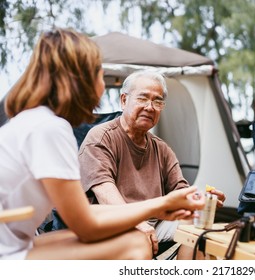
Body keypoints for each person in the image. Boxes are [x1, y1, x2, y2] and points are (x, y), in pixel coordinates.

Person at [0, 28, 205, 260]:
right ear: (81, 79)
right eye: (99, 73)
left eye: (157, 101)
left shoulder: (36, 121)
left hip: (18, 244)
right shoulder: (50, 129)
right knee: (135, 246)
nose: (102, 81)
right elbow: (85, 226)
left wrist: (170, 204)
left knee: (146, 237)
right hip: (8, 256)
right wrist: (160, 205)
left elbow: (83, 212)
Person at [78, 70, 226, 259]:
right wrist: (138, 224)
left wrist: (201, 198)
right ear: (124, 100)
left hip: (154, 223)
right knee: (140, 237)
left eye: (157, 101)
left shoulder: (161, 149)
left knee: (196, 219)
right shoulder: (101, 138)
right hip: (112, 224)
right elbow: (107, 196)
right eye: (143, 98)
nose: (150, 107)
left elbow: (181, 191)